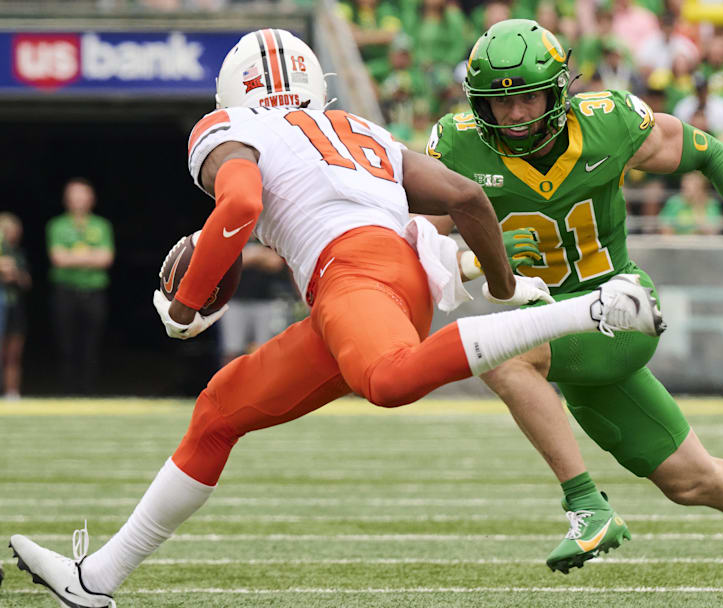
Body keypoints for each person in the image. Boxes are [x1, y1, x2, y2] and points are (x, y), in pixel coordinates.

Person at [7, 29, 665, 608]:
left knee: (388, 381)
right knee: (219, 410)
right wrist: (501, 282)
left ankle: (592, 309)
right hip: (371, 281)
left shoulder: (228, 129)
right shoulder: (362, 132)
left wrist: (185, 306)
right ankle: (96, 579)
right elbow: (466, 197)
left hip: (355, 278)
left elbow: (237, 205)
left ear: (233, 91)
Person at [425, 20, 723, 606]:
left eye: (527, 97)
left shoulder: (607, 122)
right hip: (558, 324)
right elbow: (419, 237)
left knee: (501, 353)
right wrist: (475, 258)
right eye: (500, 103)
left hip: (619, 306)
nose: (516, 115)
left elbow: (707, 150)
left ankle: (586, 505)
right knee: (696, 480)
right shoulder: (459, 144)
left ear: (557, 92)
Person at [46, 177, 115, 395]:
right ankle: (67, 391)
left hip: (94, 292)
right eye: (74, 194)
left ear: (91, 198)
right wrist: (89, 257)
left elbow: (106, 259)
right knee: (66, 343)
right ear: (66, 199)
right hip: (65, 291)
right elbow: (58, 259)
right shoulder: (57, 225)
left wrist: (73, 256)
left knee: (91, 344)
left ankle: (88, 392)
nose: (78, 199)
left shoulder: (102, 225)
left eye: (83, 194)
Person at [0, 213, 31, 399]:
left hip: (15, 306)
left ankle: (12, 393)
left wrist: (15, 274)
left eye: (13, 230)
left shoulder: (18, 254)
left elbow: (27, 282)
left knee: (14, 354)